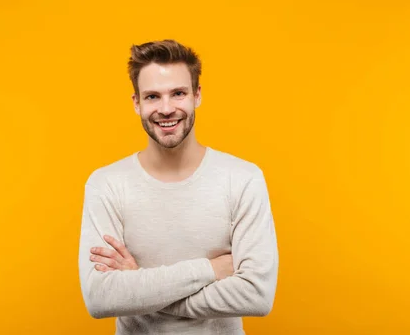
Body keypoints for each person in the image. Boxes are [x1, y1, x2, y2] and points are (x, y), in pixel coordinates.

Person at [78, 39, 279, 334]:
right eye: (152, 97)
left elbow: (257, 295)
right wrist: (210, 269)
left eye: (178, 93)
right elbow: (100, 298)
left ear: (197, 95)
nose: (167, 108)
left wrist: (138, 284)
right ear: (137, 103)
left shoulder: (243, 178)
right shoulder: (106, 184)